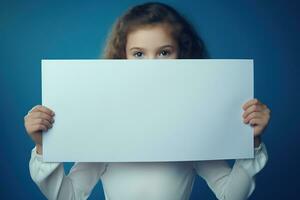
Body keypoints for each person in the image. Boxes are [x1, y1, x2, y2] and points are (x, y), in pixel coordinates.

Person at [25, 2, 270, 200]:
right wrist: (43, 147)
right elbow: (68, 196)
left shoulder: (193, 127)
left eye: (164, 52)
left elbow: (231, 194)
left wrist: (252, 142)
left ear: (182, 55)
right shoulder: (106, 128)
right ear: (123, 57)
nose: (152, 65)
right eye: (139, 54)